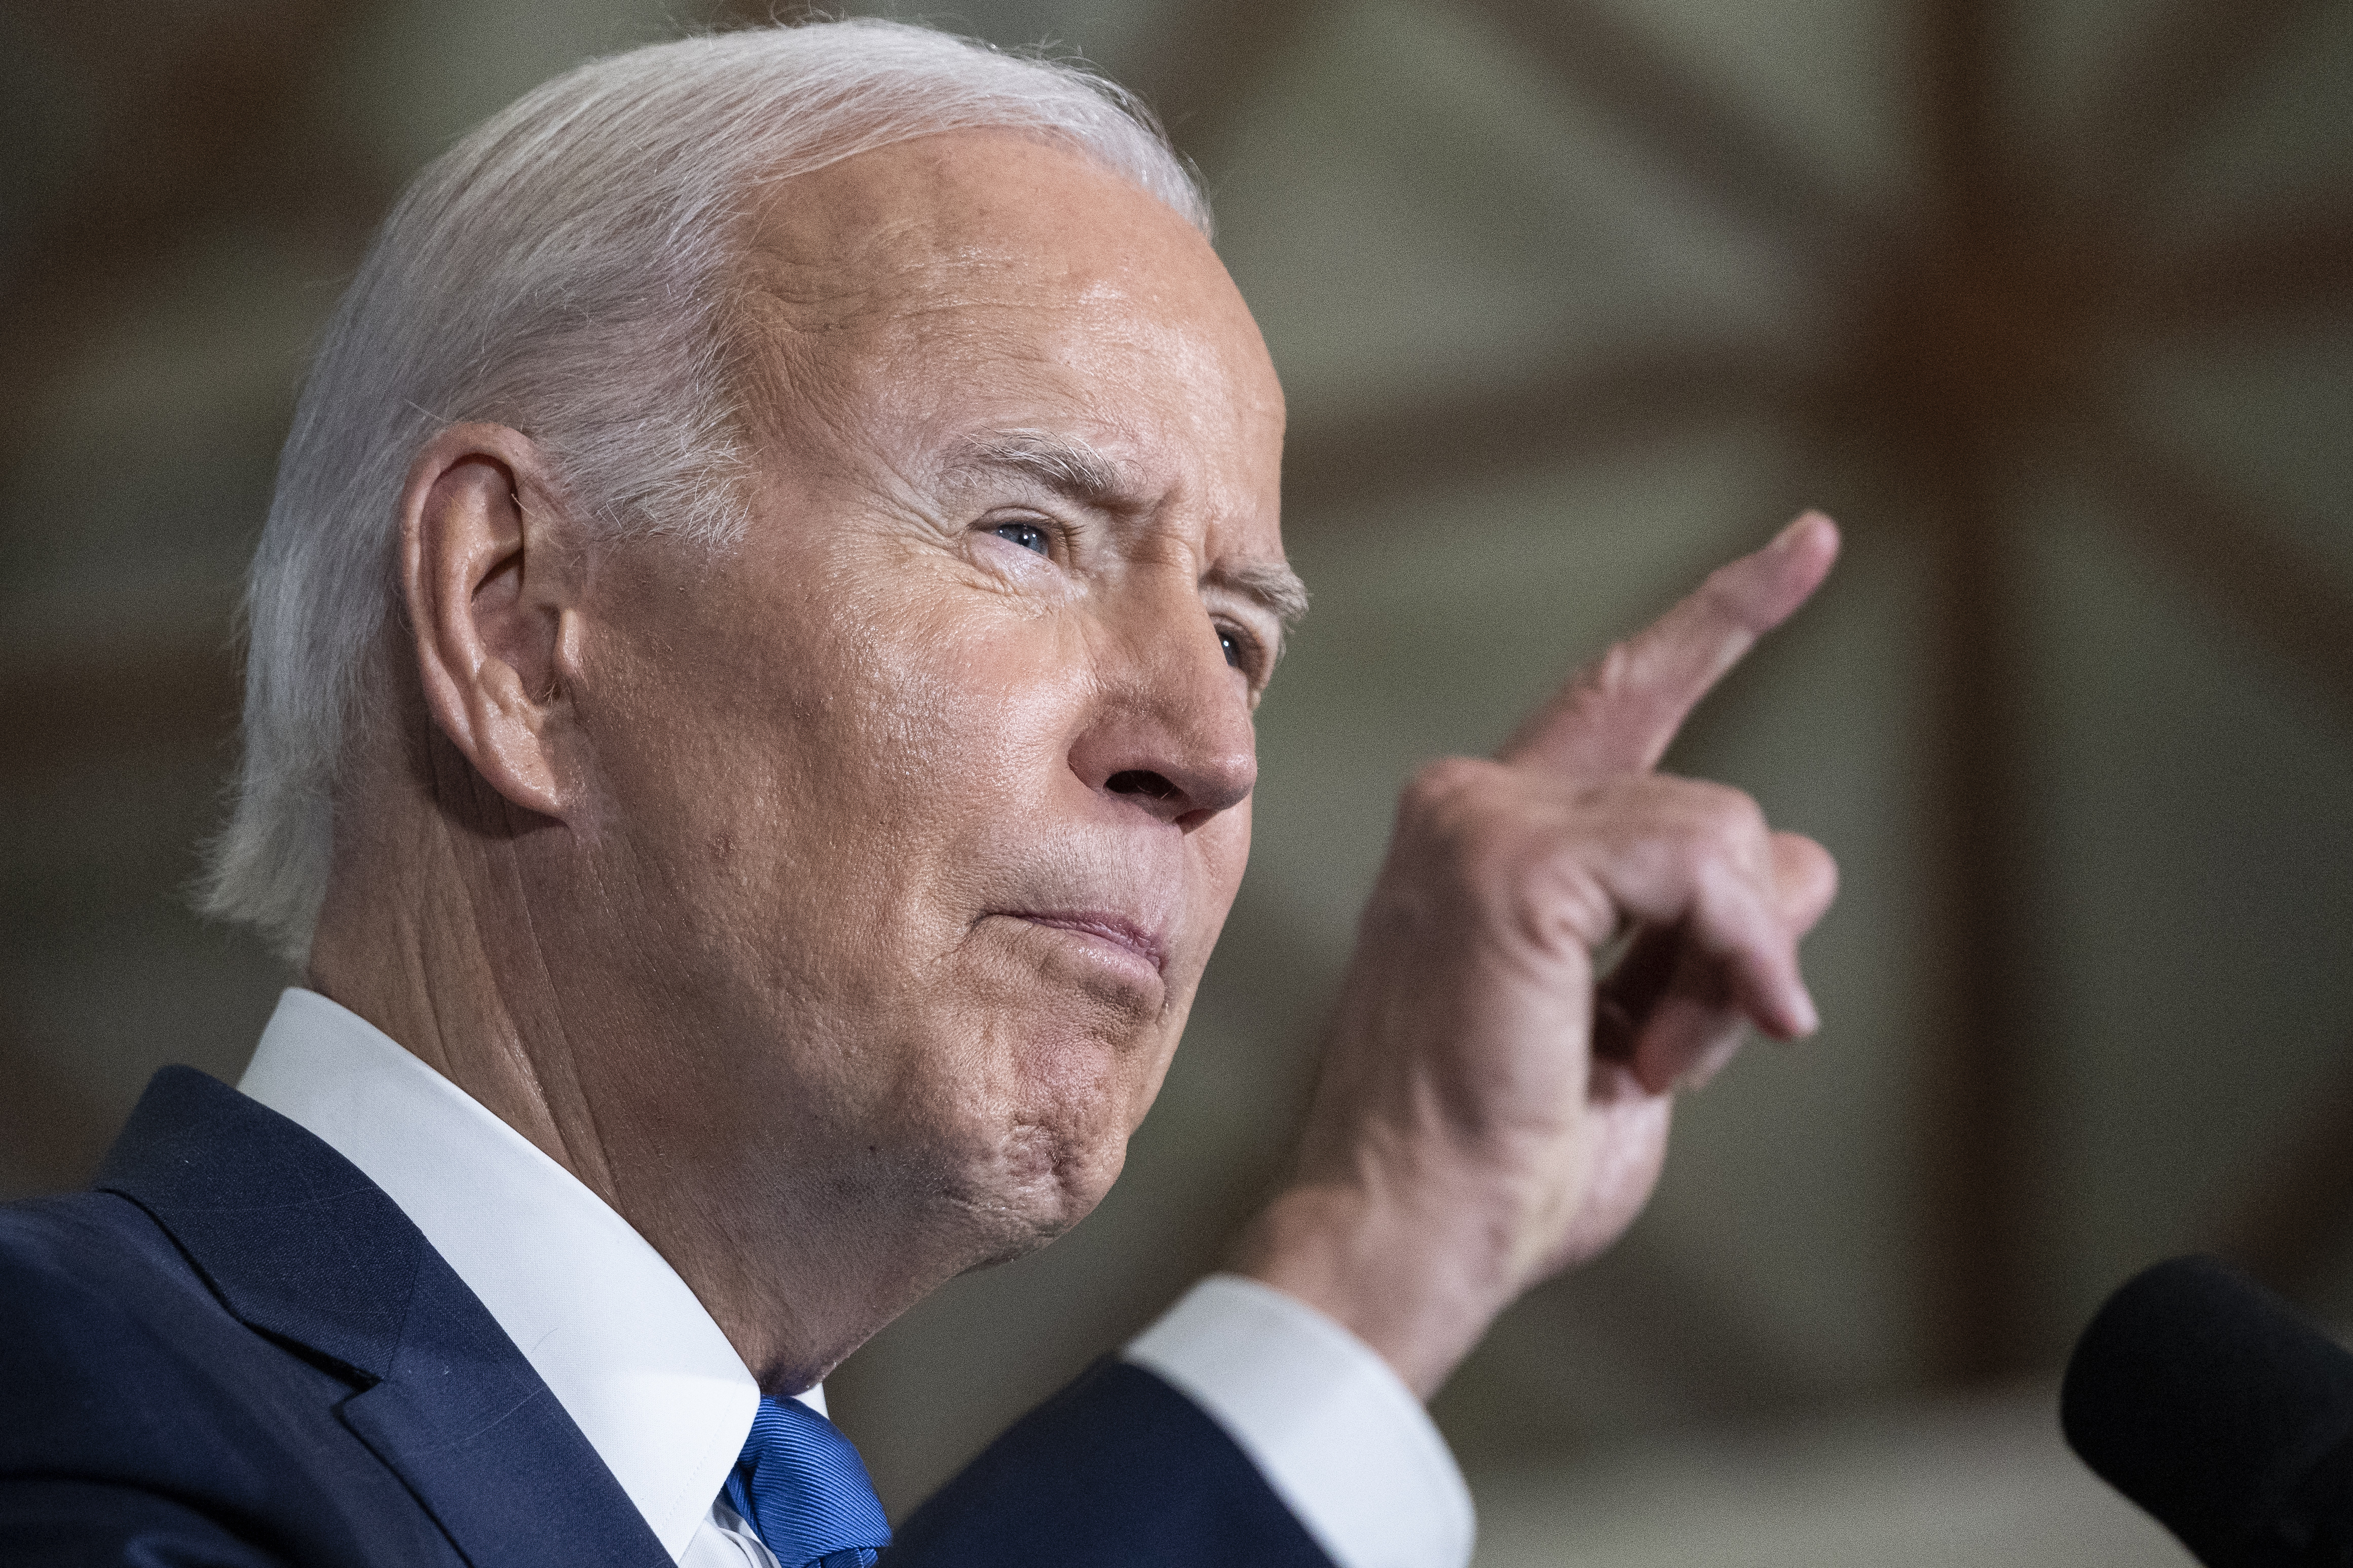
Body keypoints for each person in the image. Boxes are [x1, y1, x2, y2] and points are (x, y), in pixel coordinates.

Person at [0, 19, 1839, 1568]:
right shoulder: (68, 1413)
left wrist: (1424, 1221)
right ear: (520, 621)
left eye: (1238, 635)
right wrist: (1372, 1257)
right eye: (1029, 534)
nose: (1208, 751)